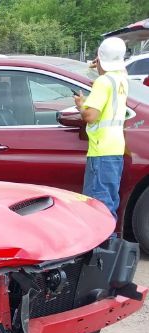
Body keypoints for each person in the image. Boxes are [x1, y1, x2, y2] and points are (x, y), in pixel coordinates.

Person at [73, 37, 129, 223]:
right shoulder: (121, 79)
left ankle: (103, 249)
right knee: (109, 201)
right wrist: (99, 64)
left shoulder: (103, 82)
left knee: (98, 205)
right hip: (115, 148)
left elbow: (90, 116)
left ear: (100, 57)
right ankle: (109, 247)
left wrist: (81, 105)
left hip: (101, 150)